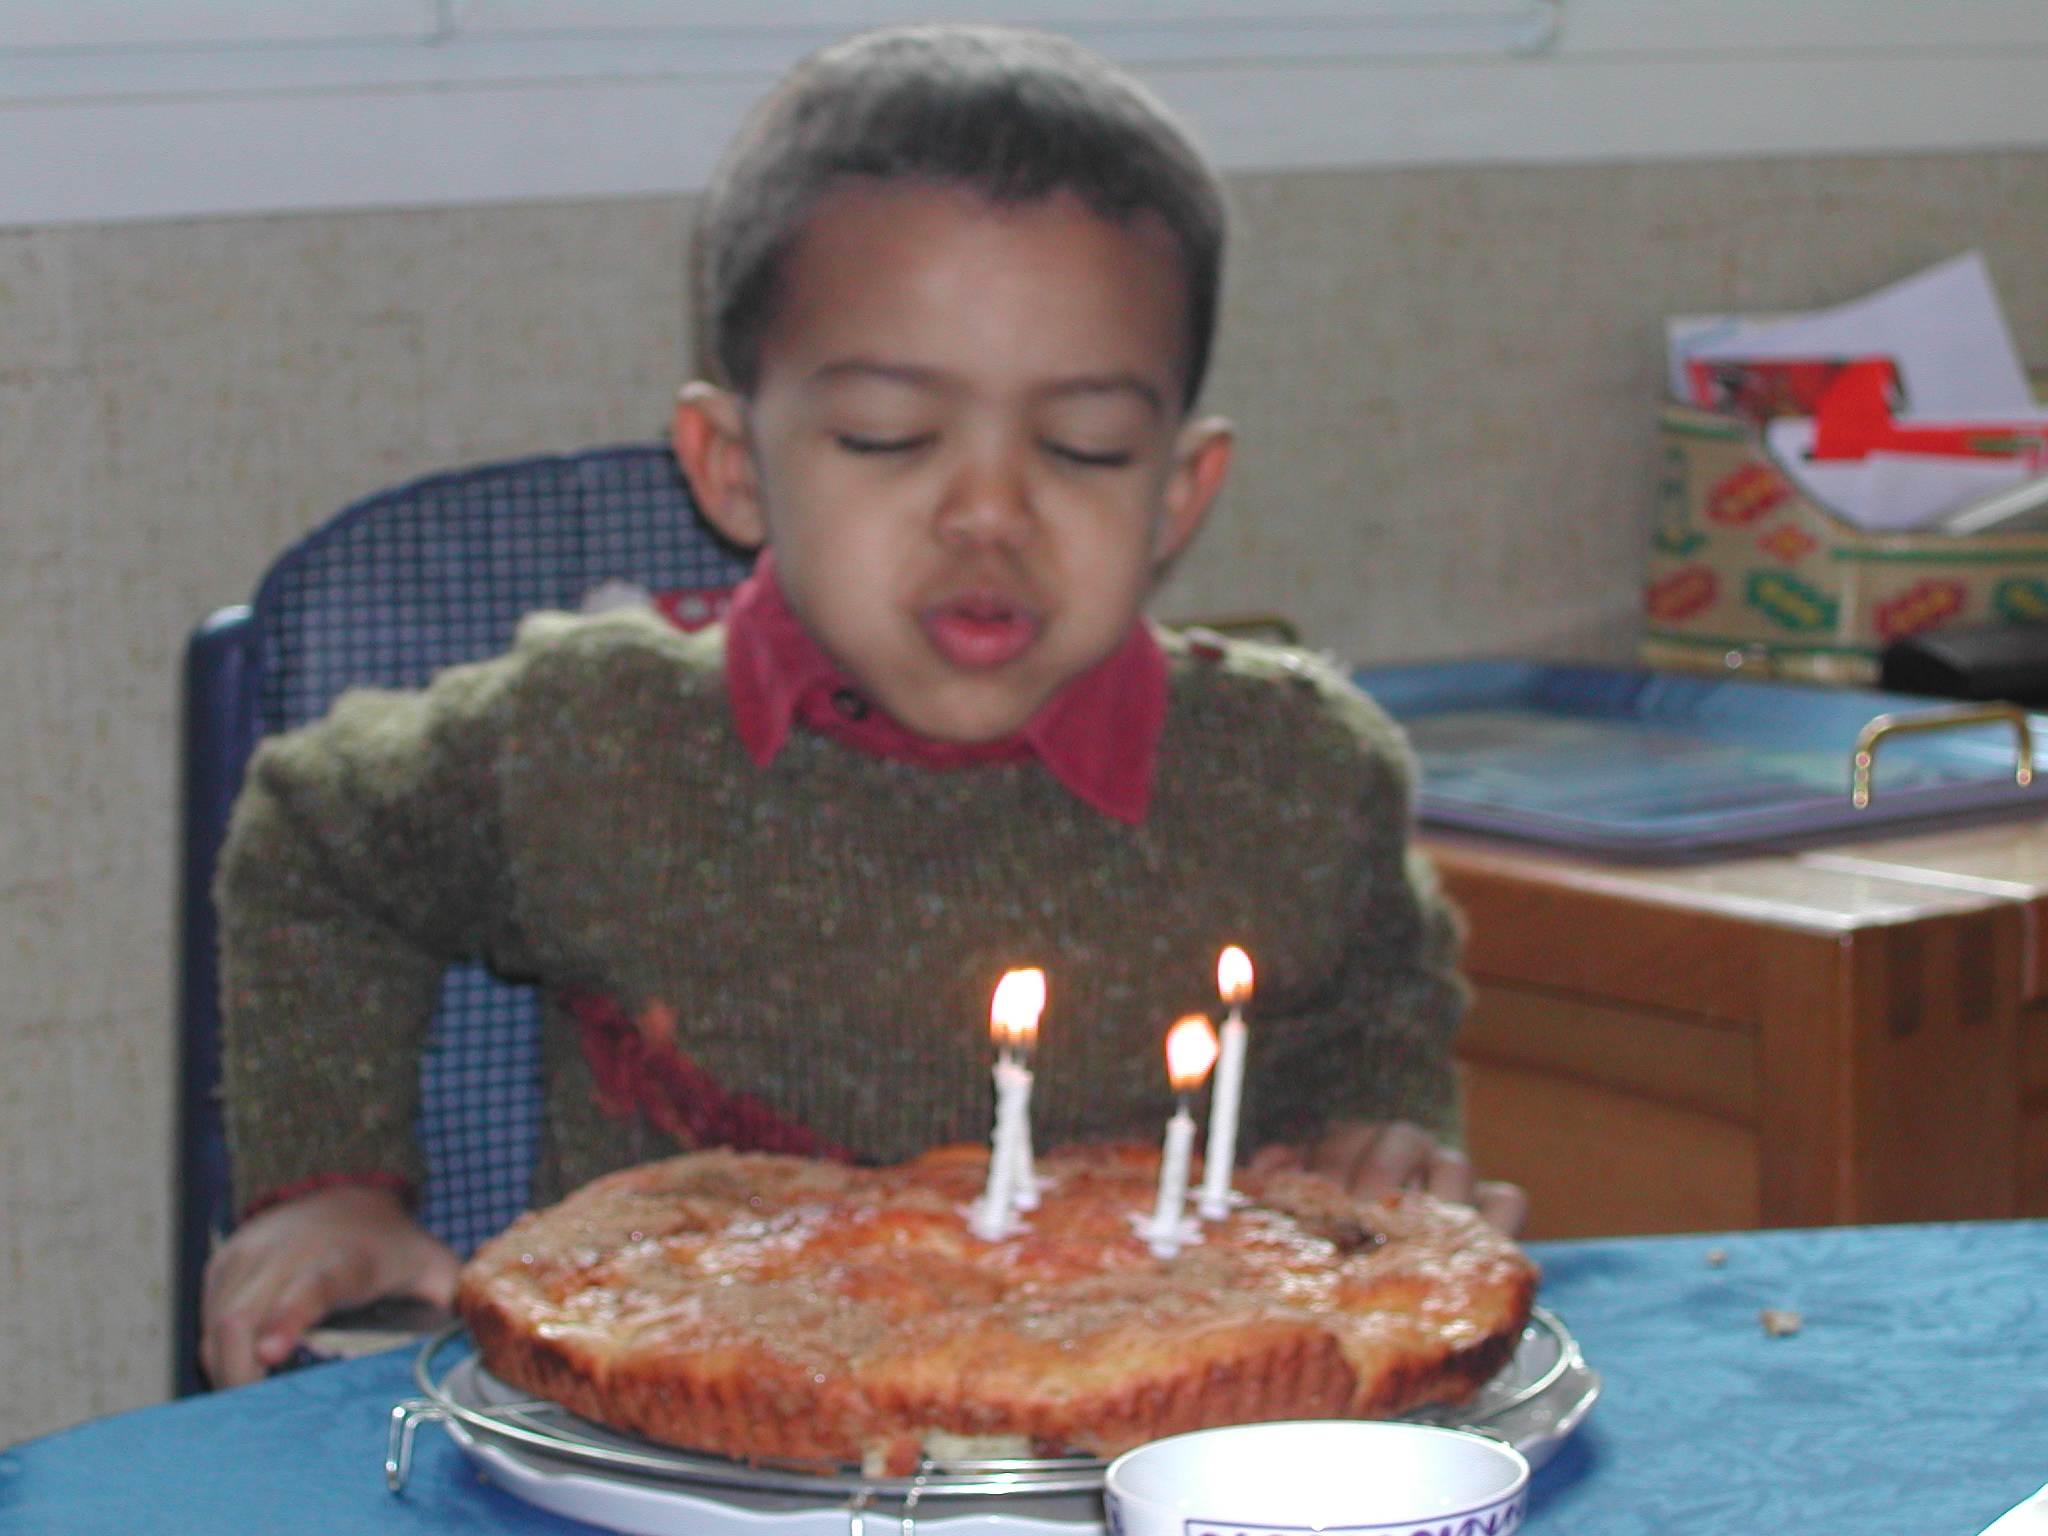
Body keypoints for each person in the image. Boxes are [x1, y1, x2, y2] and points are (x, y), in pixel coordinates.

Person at [200, 23, 1526, 1389]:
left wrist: (1384, 1132)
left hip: (1158, 1443)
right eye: (889, 436)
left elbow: (1374, 998)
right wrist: (327, 1184)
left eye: (1084, 448)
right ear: (731, 467)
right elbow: (319, 835)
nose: (990, 512)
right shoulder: (592, 743)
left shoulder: (1295, 778)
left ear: (1178, 493)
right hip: (684, 1437)